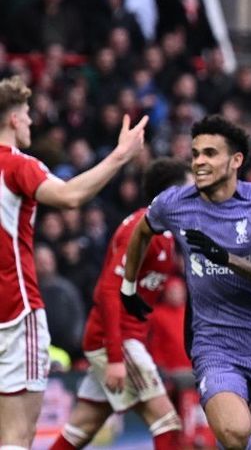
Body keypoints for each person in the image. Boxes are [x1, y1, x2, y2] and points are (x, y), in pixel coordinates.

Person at [121, 115, 251, 450]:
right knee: (234, 433)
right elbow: (142, 231)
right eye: (195, 154)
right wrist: (129, 285)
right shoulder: (174, 203)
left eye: (210, 153)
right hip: (213, 344)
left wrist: (227, 259)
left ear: (235, 160)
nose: (199, 162)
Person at [0, 75, 146, 449]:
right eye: (28, 114)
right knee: (17, 435)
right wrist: (120, 156)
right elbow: (69, 196)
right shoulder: (17, 165)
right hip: (16, 313)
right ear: (14, 120)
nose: (31, 122)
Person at [49, 158, 191, 450]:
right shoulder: (140, 231)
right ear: (170, 197)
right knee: (167, 422)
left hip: (123, 339)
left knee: (82, 428)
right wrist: (115, 357)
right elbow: (107, 293)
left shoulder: (164, 236)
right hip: (115, 341)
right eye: (190, 192)